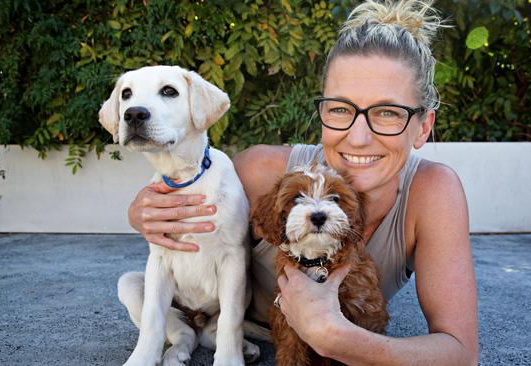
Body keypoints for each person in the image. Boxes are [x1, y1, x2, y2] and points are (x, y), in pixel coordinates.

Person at [128, 0, 478, 364]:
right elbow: (178, 186)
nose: (358, 137)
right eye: (341, 109)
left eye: (388, 112)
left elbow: (460, 354)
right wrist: (140, 212)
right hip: (232, 335)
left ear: (423, 127)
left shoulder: (432, 193)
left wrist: (335, 337)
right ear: (322, 113)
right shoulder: (260, 171)